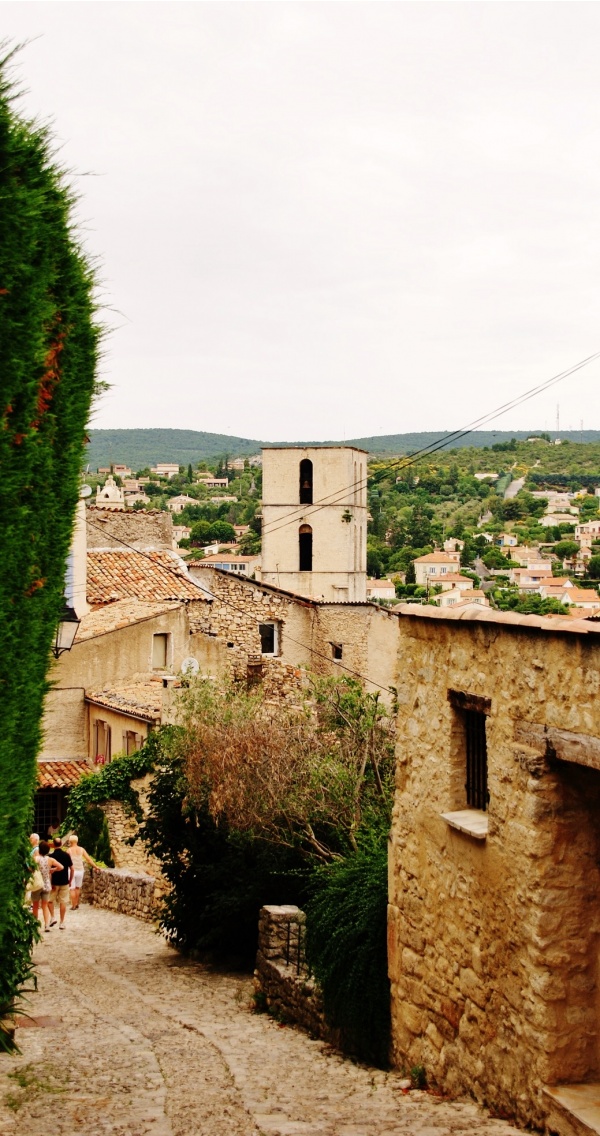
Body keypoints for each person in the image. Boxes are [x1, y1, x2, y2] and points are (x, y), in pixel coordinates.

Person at [34, 840, 63, 931]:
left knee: (35, 906)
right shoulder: (50, 860)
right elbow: (61, 867)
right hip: (46, 884)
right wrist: (53, 869)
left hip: (37, 884)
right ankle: (46, 925)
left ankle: (35, 925)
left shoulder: (36, 859)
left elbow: (30, 868)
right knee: (44, 905)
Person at [49, 837, 73, 930]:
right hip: (64, 881)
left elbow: (49, 871)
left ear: (54, 844)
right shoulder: (66, 855)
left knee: (50, 901)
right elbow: (72, 869)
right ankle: (62, 922)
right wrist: (70, 880)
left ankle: (52, 917)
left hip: (54, 882)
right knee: (63, 902)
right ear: (61, 844)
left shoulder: (51, 856)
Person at [68, 834, 96, 910]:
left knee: (72, 888)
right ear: (77, 841)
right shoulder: (81, 849)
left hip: (72, 870)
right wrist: (95, 866)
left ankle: (73, 905)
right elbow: (88, 859)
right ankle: (77, 903)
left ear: (70, 841)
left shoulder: (69, 850)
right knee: (77, 888)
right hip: (80, 870)